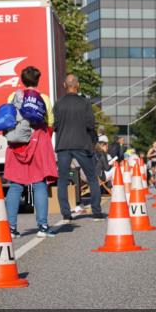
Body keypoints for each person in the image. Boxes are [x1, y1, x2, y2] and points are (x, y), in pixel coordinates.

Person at [3, 66, 58, 237]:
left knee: (15, 185)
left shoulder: (13, 96)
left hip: (17, 144)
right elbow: (50, 123)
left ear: (22, 80)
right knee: (39, 183)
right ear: (38, 80)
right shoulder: (44, 99)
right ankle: (42, 227)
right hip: (38, 142)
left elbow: (8, 118)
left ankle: (11, 228)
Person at [52, 74, 105, 220]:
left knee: (62, 179)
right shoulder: (85, 103)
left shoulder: (58, 104)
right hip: (82, 144)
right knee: (92, 177)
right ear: (78, 85)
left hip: (63, 145)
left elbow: (55, 126)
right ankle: (96, 211)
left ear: (64, 85)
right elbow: (90, 125)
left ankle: (66, 213)